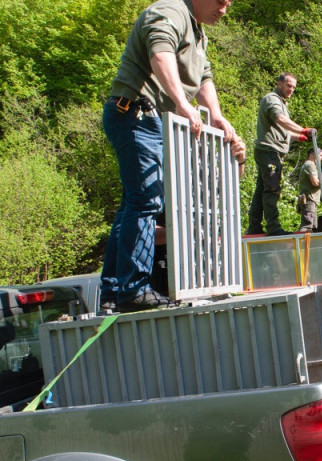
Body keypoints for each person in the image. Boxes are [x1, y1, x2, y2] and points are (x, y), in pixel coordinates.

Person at [100, 0, 245, 313]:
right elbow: (159, 54)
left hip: (152, 121)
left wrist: (216, 116)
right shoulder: (170, 12)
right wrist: (182, 104)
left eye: (229, 4)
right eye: (220, 1)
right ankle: (133, 289)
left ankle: (114, 289)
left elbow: (203, 76)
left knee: (135, 203)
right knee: (145, 202)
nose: (224, 9)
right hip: (134, 114)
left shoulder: (197, 30)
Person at [247, 72, 314, 236]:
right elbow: (279, 119)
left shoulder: (283, 104)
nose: (291, 89)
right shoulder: (272, 99)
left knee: (262, 188)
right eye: (289, 85)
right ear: (279, 84)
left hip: (272, 152)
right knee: (272, 189)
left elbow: (282, 131)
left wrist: (300, 137)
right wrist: (303, 129)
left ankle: (254, 226)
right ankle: (273, 227)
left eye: (294, 87)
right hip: (268, 151)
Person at [297, 147, 322, 232]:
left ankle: (308, 244)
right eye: (320, 155)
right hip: (309, 199)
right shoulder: (310, 165)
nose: (321, 158)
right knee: (307, 226)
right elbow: (315, 183)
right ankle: (302, 244)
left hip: (311, 200)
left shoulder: (310, 165)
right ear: (313, 154)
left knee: (313, 227)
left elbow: (319, 185)